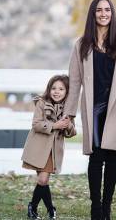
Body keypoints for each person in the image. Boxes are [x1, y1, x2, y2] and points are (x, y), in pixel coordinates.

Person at [63, 0, 116, 220]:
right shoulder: (81, 44)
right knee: (96, 157)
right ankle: (96, 207)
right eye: (99, 10)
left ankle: (107, 207)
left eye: (107, 10)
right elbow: (74, 81)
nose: (103, 13)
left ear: (112, 14)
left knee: (112, 157)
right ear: (92, 14)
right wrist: (69, 114)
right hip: (93, 108)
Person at [21, 74, 76, 220]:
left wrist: (68, 124)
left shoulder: (68, 110)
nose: (56, 91)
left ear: (67, 92)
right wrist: (54, 125)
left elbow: (72, 132)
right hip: (38, 147)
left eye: (61, 89)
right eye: (54, 88)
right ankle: (50, 209)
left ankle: (34, 208)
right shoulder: (41, 103)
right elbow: (36, 124)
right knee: (43, 181)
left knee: (43, 180)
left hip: (53, 151)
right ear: (49, 89)